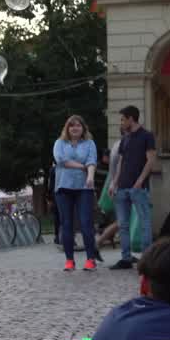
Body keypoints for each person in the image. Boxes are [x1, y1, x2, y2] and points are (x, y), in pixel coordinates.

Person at [107, 106, 157, 269]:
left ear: (131, 119)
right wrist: (114, 183)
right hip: (122, 187)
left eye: (122, 119)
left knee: (144, 222)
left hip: (138, 188)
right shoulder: (125, 138)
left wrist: (140, 181)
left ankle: (147, 258)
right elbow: (121, 162)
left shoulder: (147, 136)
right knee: (123, 224)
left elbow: (150, 160)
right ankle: (126, 258)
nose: (121, 122)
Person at [54, 115, 100, 271]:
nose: (75, 128)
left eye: (78, 125)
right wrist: (82, 167)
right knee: (66, 225)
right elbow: (61, 160)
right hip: (63, 188)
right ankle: (69, 260)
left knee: (86, 224)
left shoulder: (89, 143)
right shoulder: (59, 143)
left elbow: (92, 161)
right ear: (67, 128)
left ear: (83, 128)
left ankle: (90, 259)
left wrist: (90, 177)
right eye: (71, 125)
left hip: (84, 188)